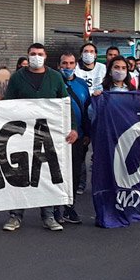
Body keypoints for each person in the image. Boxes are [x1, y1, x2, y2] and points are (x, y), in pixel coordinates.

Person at [2, 43, 78, 233]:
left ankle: (48, 216)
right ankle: (15, 215)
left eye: (40, 54)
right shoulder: (17, 78)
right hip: (22, 134)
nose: (36, 57)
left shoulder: (55, 77)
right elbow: (7, 105)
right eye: (33, 54)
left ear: (45, 57)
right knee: (20, 173)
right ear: (28, 56)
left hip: (48, 134)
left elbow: (65, 104)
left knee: (47, 173)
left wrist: (73, 128)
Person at [58, 53, 90, 225]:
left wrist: (87, 133)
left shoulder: (82, 84)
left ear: (76, 65)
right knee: (57, 173)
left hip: (78, 137)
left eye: (71, 63)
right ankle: (56, 209)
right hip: (57, 136)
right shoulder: (55, 82)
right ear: (59, 65)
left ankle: (70, 207)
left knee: (75, 173)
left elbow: (87, 110)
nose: (68, 66)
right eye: (64, 63)